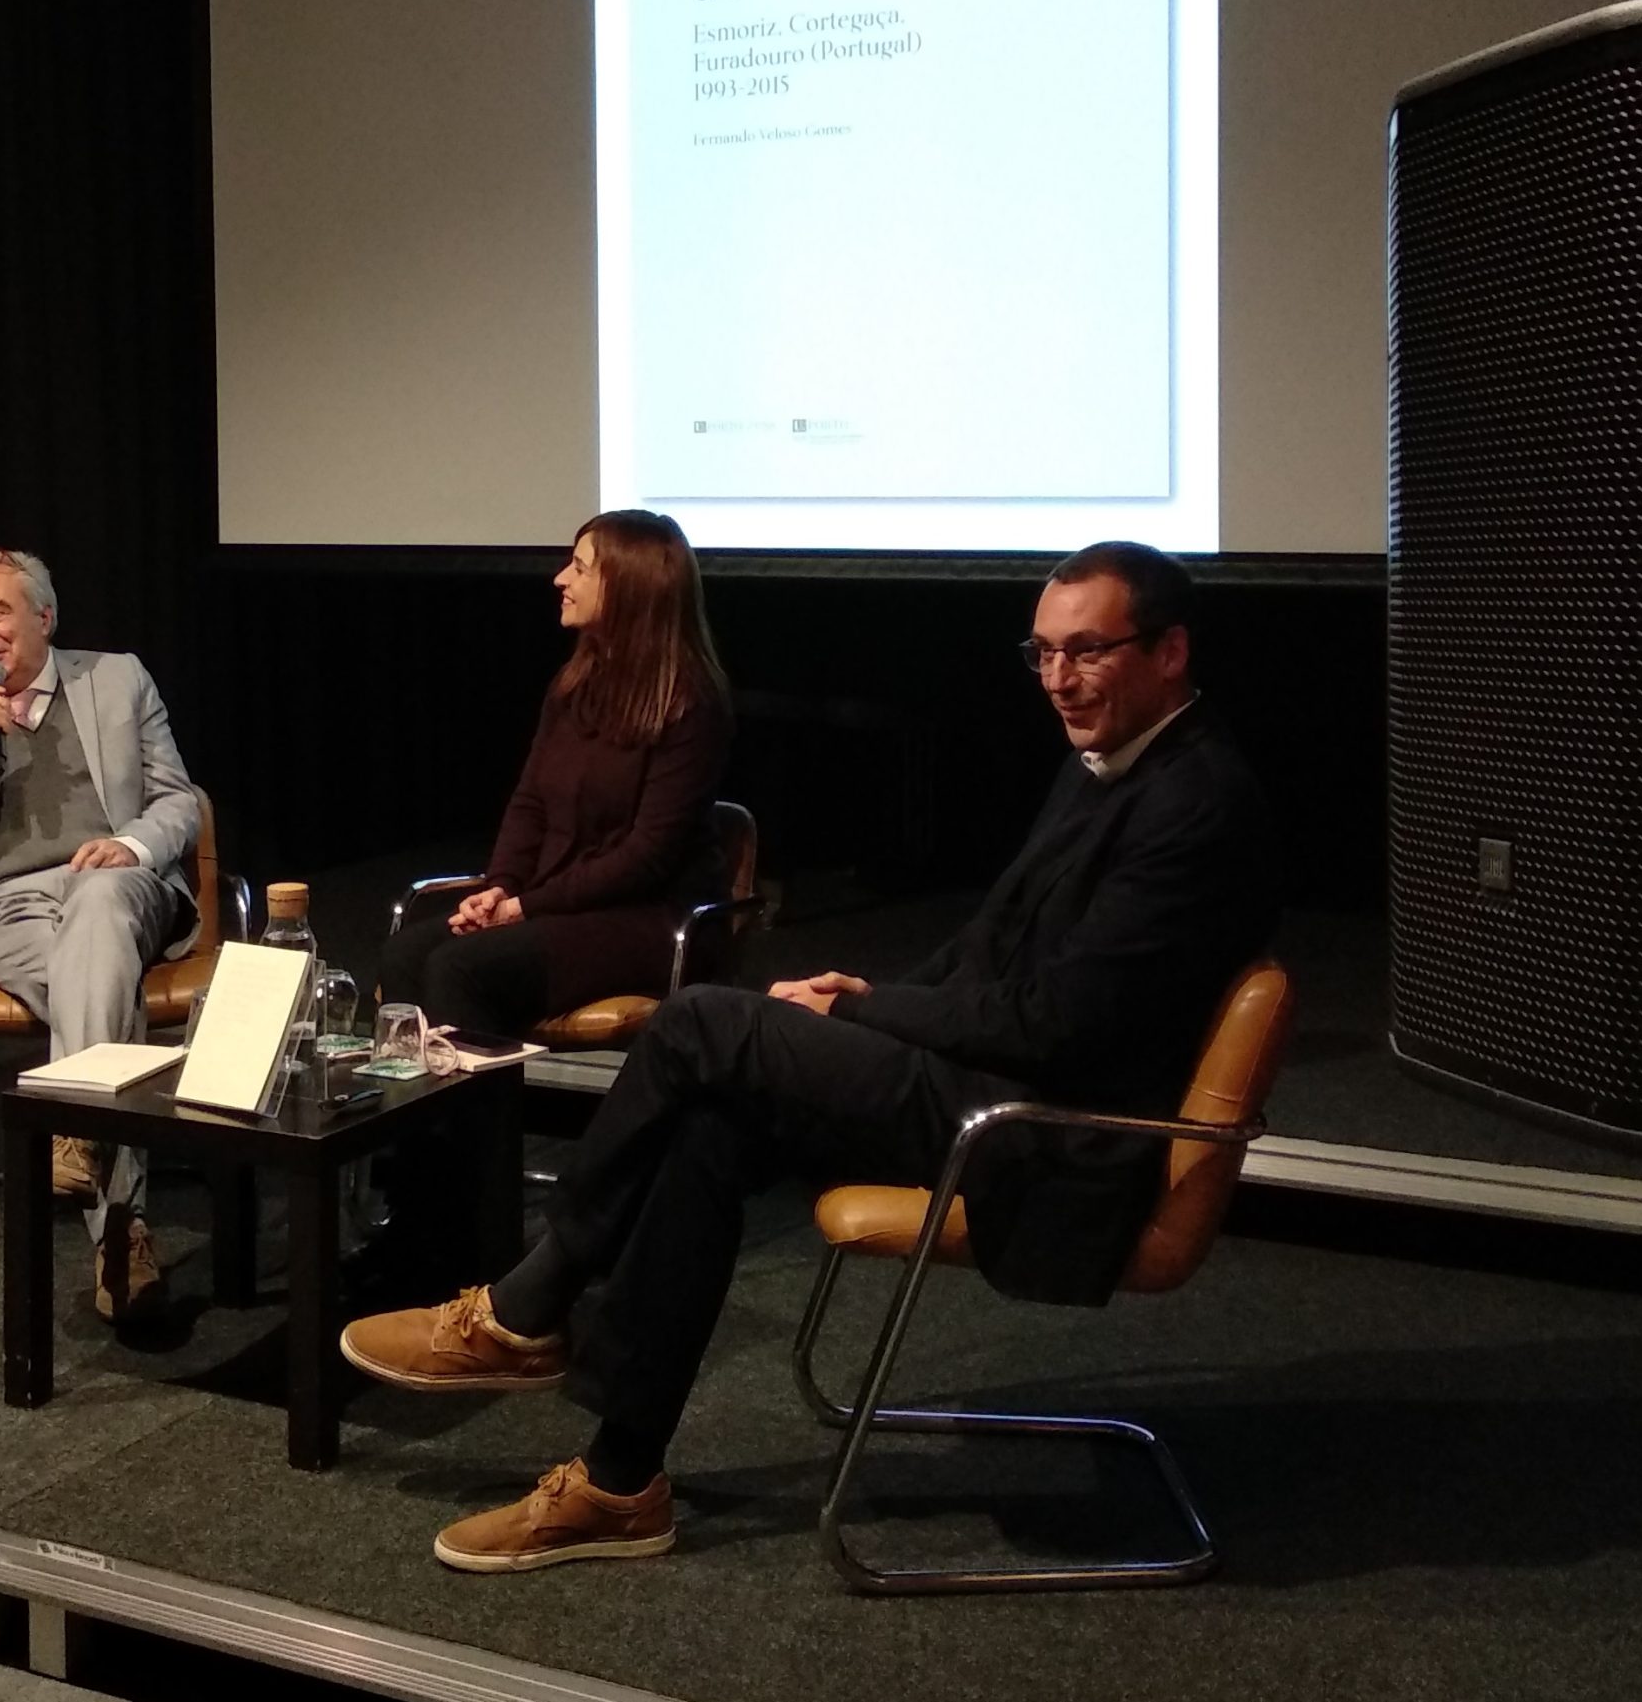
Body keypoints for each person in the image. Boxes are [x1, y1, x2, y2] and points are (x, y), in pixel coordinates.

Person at [339, 540, 1280, 1572]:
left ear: (1170, 650)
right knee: (709, 1122)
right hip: (996, 1080)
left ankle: (526, 1306)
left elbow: (1059, 1025)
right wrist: (862, 1000)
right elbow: (988, 951)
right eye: (1042, 652)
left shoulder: (1195, 802)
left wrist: (874, 1008)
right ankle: (618, 1482)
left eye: (1087, 650)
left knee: (699, 1021)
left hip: (1049, 1134)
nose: (1058, 678)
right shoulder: (1111, 765)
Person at [0, 548, 202, 1321]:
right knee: (95, 983)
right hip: (8, 912)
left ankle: (76, 1125)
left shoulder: (119, 680)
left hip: (122, 885)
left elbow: (177, 802)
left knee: (98, 909)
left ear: (44, 617)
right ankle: (120, 1228)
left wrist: (129, 847)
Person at [378, 511, 733, 1038]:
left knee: (462, 968)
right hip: (560, 908)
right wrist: (500, 887)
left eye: (580, 568)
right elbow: (531, 803)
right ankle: (420, 1092)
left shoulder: (690, 703)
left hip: (651, 919)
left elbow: (648, 855)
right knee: (406, 953)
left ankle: (485, 1093)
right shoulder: (574, 686)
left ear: (630, 586)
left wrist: (525, 906)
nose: (560, 579)